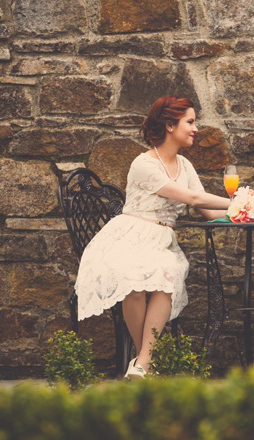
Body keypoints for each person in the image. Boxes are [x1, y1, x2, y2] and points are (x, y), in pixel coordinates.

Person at [74, 95, 230, 379]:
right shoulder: (143, 164)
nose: (196, 129)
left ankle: (142, 362)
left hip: (161, 241)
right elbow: (193, 197)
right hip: (128, 237)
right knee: (133, 279)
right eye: (190, 122)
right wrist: (241, 201)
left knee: (166, 272)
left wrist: (246, 215)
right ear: (170, 125)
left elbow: (207, 210)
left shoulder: (186, 165)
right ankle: (145, 360)